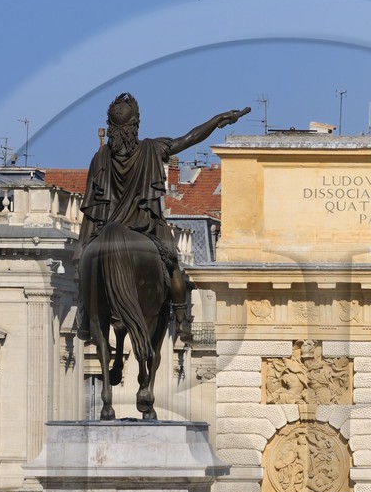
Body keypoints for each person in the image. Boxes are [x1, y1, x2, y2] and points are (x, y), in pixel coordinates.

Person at [80, 93, 247, 344]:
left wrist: (85, 245)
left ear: (112, 126)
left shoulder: (100, 158)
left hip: (105, 232)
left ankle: (85, 319)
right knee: (172, 266)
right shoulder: (151, 149)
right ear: (136, 124)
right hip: (144, 228)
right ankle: (181, 318)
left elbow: (92, 203)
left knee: (85, 269)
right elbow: (189, 138)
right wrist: (218, 120)